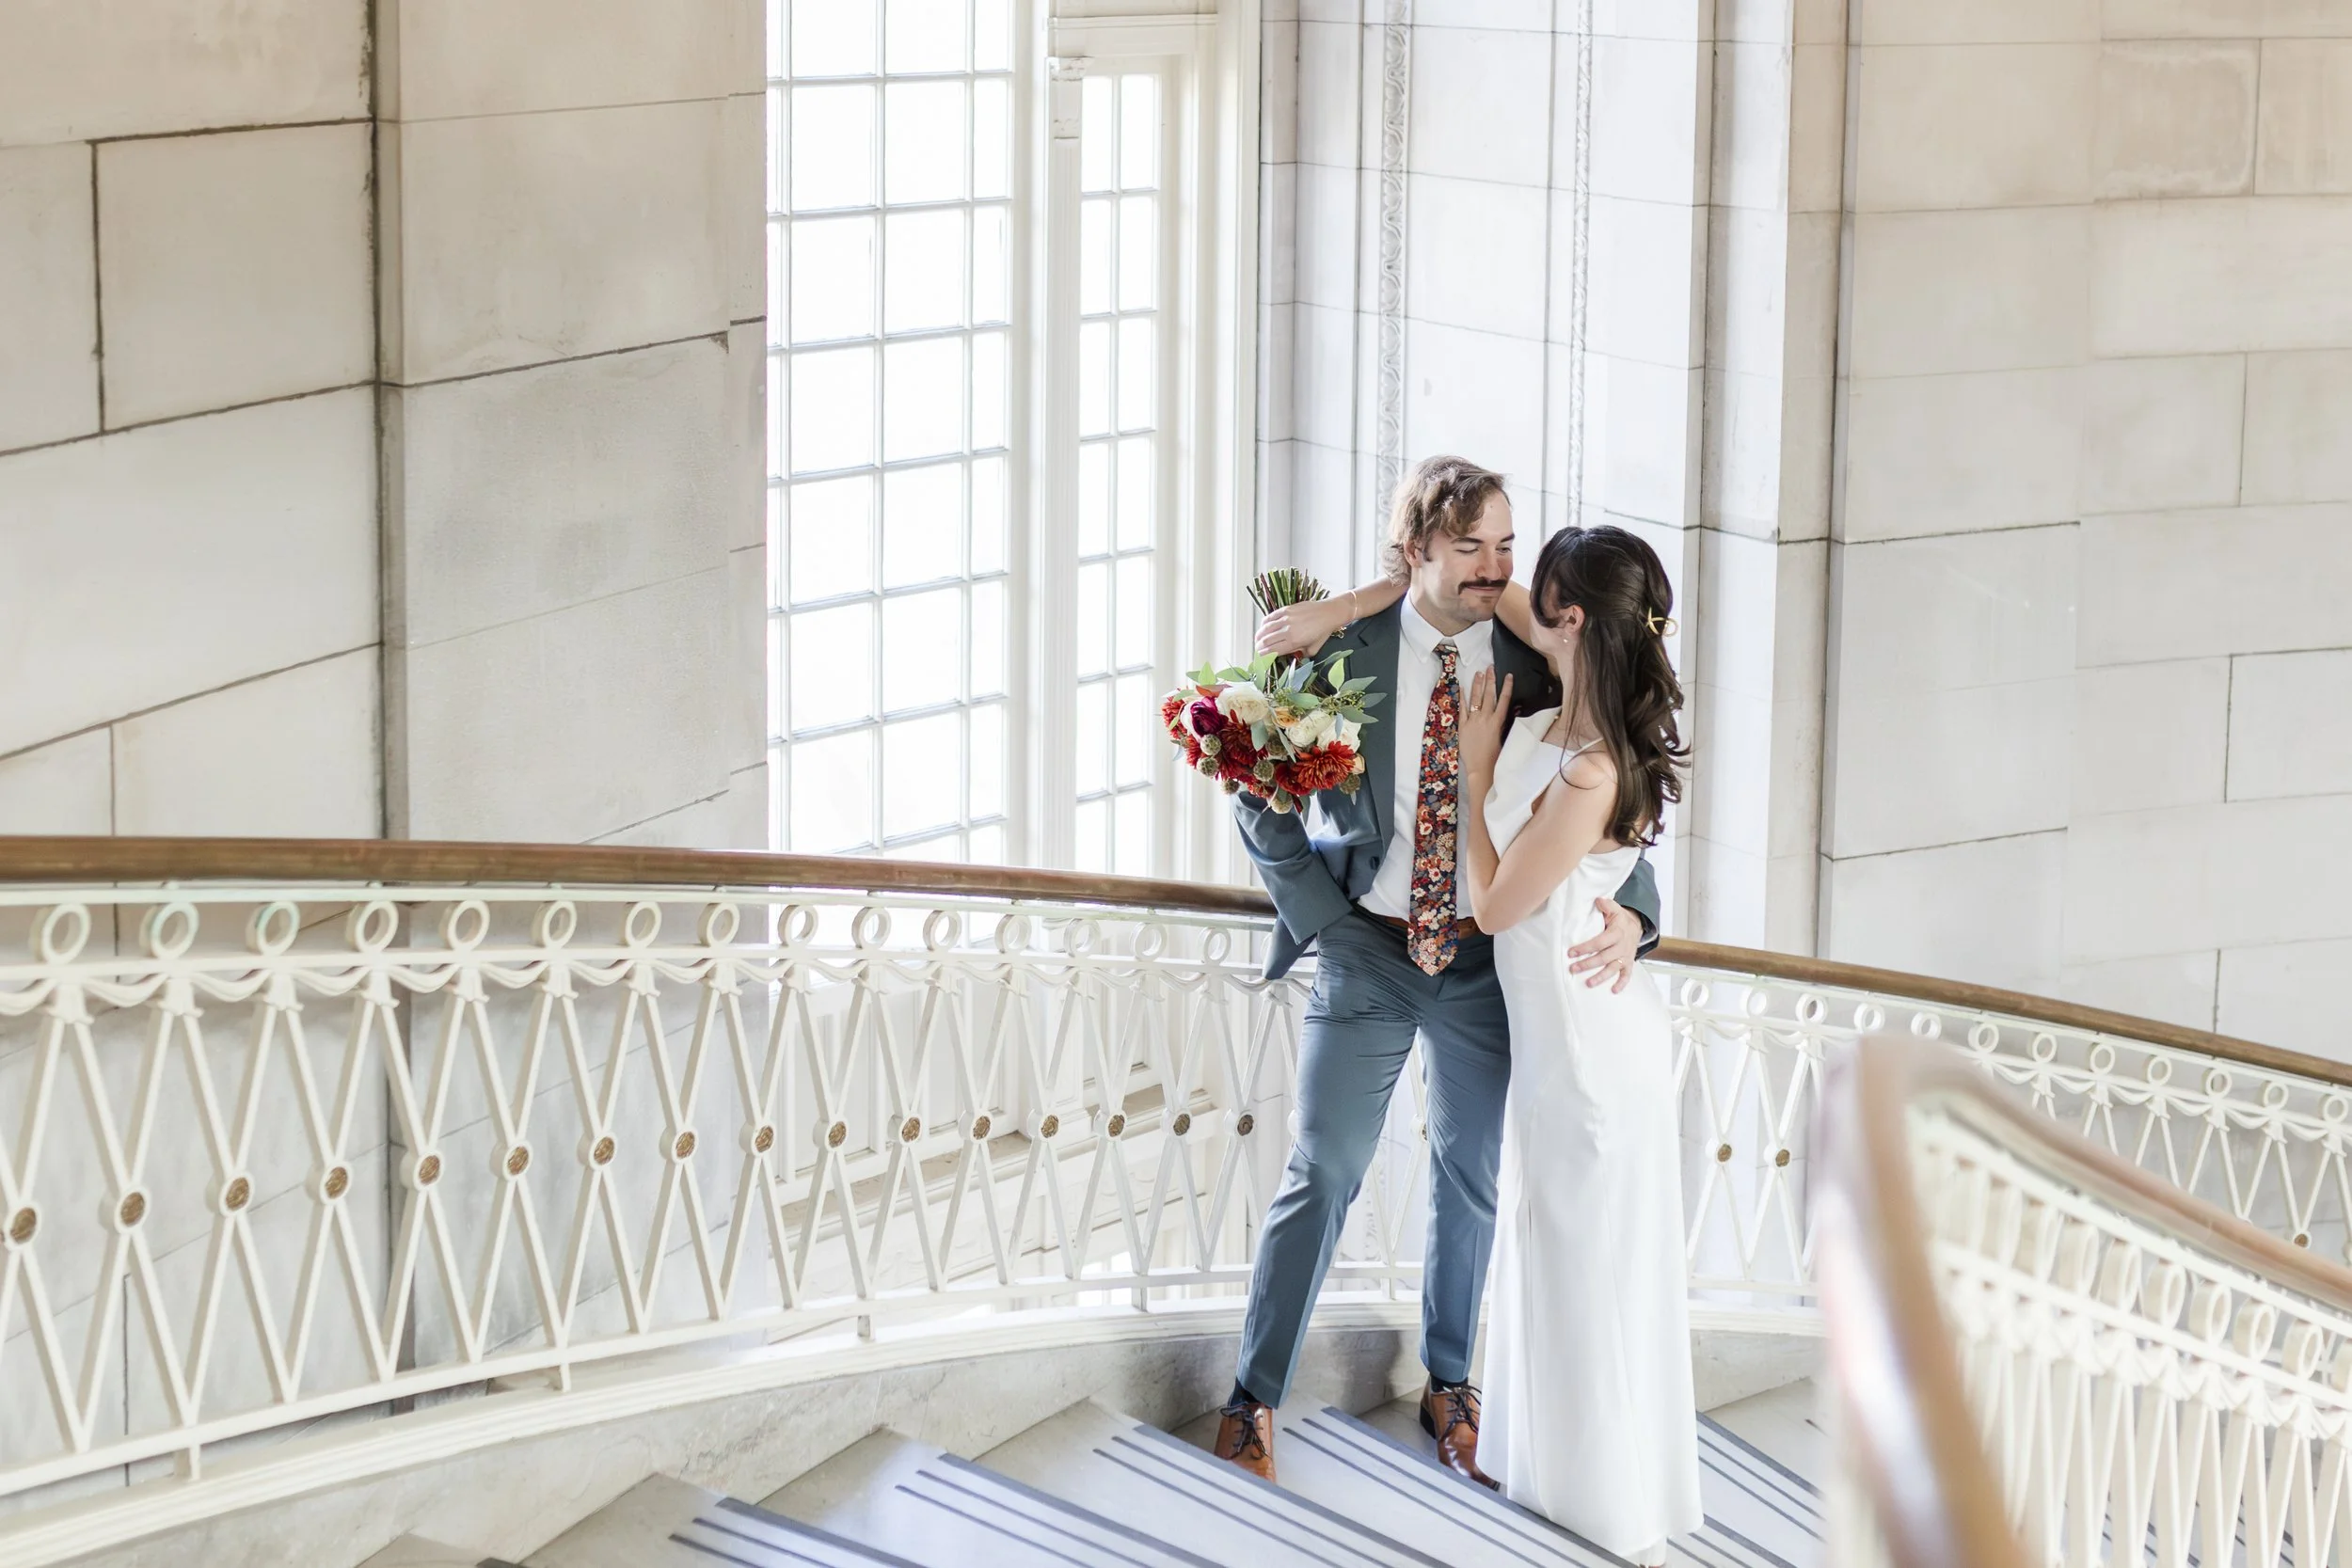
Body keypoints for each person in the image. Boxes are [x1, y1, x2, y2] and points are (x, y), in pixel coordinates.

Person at [1212, 455, 1661, 1497]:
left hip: (1487, 960)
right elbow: (1253, 787)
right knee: (1322, 1165)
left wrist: (1636, 916)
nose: (1498, 567)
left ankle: (1451, 1384)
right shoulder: (1339, 648)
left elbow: (1609, 780)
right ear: (1417, 548)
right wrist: (1323, 921)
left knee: (1472, 1175)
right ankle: (1250, 1397)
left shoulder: (1540, 655)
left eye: (1508, 546)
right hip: (1367, 949)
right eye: (1472, 548)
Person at [1453, 523, 1702, 1564]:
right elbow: (1496, 595)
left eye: (1538, 589)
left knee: (1588, 1264)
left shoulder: (1595, 766)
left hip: (1591, 1050)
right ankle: (1549, 1468)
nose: (1516, 595)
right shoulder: (1559, 719)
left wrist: (1471, 782)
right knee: (1553, 1250)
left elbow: (1500, 903)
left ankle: (1604, 1501)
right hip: (1561, 1041)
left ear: (1569, 619)